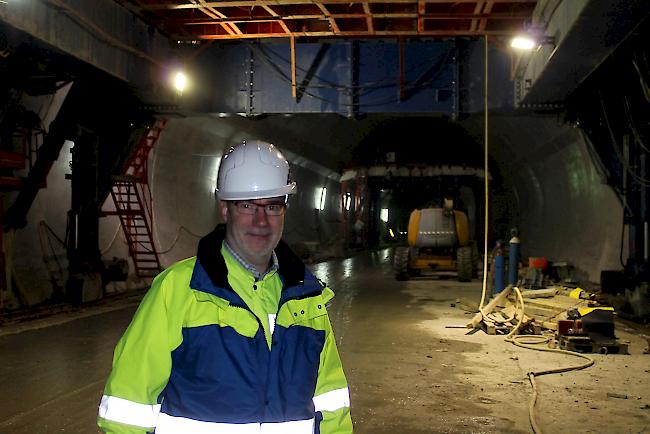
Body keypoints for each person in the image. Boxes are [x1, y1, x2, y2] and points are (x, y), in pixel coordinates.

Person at [97, 140, 353, 433]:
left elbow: (332, 406)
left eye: (272, 206)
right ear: (225, 209)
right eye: (246, 205)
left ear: (285, 210)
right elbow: (126, 410)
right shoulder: (178, 290)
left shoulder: (308, 299)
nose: (261, 221)